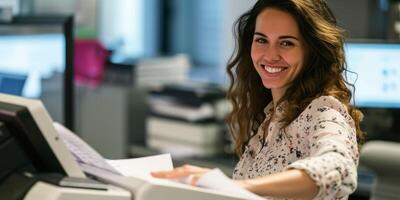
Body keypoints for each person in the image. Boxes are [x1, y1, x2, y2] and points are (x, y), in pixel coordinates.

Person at [151, 0, 364, 199]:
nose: (270, 55)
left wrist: (234, 186)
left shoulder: (323, 111)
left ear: (311, 51)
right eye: (261, 40)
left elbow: (339, 169)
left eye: (287, 43)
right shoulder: (269, 118)